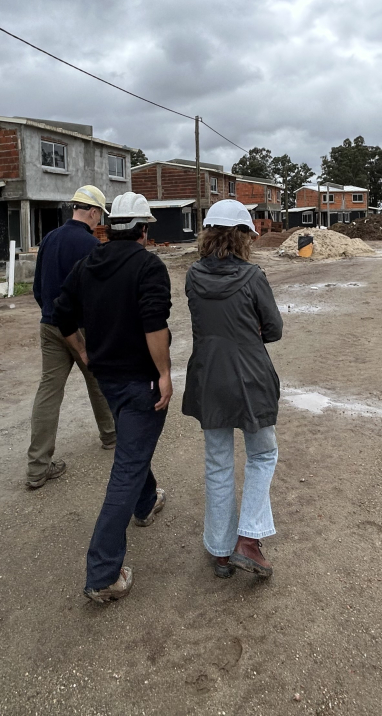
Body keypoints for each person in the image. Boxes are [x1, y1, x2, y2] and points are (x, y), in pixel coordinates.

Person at [52, 192, 172, 603]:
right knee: (128, 464)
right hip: (141, 380)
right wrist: (165, 373)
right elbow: (154, 325)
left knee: (133, 445)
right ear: (142, 228)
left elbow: (59, 314)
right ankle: (103, 572)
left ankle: (146, 503)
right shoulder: (148, 266)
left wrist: (84, 352)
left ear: (110, 224)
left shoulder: (89, 264)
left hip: (108, 378)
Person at [182, 200, 283, 579]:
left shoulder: (192, 275)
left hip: (208, 378)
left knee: (218, 463)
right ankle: (248, 539)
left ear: (207, 233)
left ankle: (221, 551)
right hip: (250, 378)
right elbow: (272, 328)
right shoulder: (253, 276)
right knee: (262, 454)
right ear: (243, 236)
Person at [26, 186, 118, 489]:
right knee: (99, 380)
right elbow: (102, 295)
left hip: (51, 326)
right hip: (81, 329)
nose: (99, 221)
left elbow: (38, 288)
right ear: (92, 211)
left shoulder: (49, 239)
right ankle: (111, 436)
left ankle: (37, 467)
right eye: (99, 215)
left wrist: (51, 316)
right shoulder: (92, 245)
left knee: (49, 393)